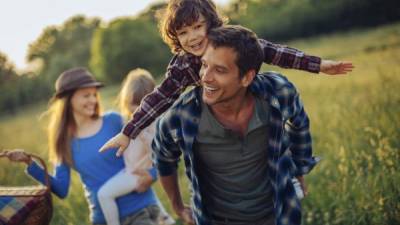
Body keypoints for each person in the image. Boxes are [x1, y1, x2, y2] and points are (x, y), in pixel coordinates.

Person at [100, 0, 353, 155]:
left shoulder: (232, 41)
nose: (192, 37)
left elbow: (274, 52)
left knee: (273, 116)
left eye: (197, 27)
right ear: (176, 37)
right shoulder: (182, 65)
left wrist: (318, 65)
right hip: (218, 110)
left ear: (210, 23)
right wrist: (128, 132)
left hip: (251, 97)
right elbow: (160, 97)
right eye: (183, 32)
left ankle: (288, 170)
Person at [152, 25, 318, 225]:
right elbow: (162, 156)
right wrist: (177, 206)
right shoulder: (181, 115)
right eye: (204, 65)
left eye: (220, 70)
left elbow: (299, 123)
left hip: (280, 214)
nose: (205, 77)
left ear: (247, 77)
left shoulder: (278, 92)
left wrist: (300, 168)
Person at [5, 68, 160, 225]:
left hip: (139, 211)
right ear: (68, 100)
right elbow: (61, 189)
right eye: (86, 95)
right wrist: (29, 163)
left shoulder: (114, 121)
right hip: (102, 220)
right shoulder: (63, 142)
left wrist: (152, 174)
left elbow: (151, 147)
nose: (93, 100)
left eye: (94, 94)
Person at [97, 68, 175, 225]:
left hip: (137, 173)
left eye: (143, 106)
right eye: (134, 106)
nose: (139, 112)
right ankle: (165, 218)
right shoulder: (127, 120)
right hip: (132, 169)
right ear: (126, 101)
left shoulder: (153, 123)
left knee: (104, 195)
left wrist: (143, 133)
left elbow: (158, 150)